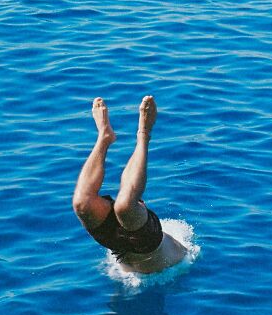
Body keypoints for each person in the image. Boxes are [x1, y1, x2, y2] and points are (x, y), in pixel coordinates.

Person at [72, 96, 188, 274]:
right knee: (82, 204)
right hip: (122, 244)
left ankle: (144, 133)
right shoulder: (130, 223)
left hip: (152, 249)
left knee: (124, 206)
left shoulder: (137, 220)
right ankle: (104, 136)